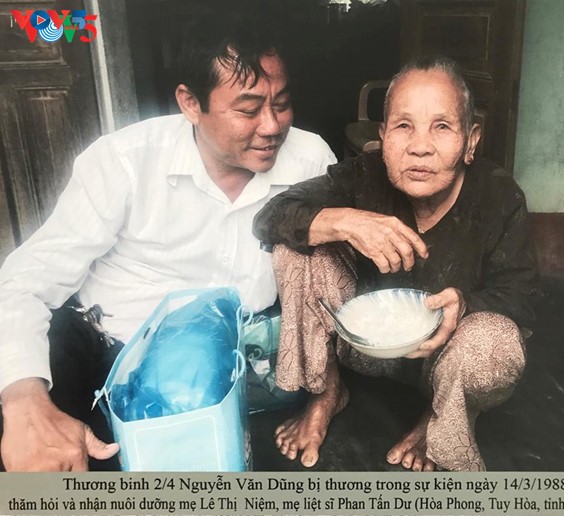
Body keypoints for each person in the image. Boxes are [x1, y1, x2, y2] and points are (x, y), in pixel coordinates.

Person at [0, 19, 336, 471]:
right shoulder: (125, 163)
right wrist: (24, 401)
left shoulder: (310, 159)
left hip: (241, 366)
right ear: (190, 103)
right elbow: (24, 282)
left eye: (282, 103)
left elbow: (332, 276)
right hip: (113, 354)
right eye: (248, 109)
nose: (272, 125)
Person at [253, 56, 539, 471]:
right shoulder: (364, 175)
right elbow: (269, 218)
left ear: (471, 140)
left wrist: (466, 305)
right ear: (383, 135)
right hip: (363, 349)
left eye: (442, 127)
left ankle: (440, 421)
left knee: (495, 342)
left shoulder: (499, 197)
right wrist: (345, 221)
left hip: (446, 361)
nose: (420, 146)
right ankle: (326, 393)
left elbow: (523, 299)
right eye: (404, 126)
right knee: (295, 250)